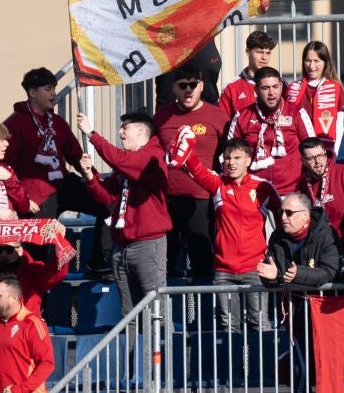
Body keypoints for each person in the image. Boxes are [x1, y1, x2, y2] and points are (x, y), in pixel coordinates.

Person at [175, 136, 274, 332]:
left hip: (255, 268)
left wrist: (276, 255)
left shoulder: (263, 186)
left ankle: (264, 364)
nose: (231, 163)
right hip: (224, 270)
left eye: (237, 158)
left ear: (248, 159)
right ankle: (233, 364)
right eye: (228, 158)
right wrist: (188, 144)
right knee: (229, 326)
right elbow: (196, 170)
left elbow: (283, 219)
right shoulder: (218, 183)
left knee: (260, 323)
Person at [78, 110, 172, 311]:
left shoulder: (152, 157)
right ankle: (132, 344)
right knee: (129, 312)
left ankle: (159, 344)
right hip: (121, 245)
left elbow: (119, 159)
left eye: (125, 128)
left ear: (140, 131)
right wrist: (90, 176)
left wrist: (91, 134)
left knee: (156, 311)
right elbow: (108, 197)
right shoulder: (128, 162)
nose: (120, 132)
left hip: (148, 244)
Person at [152, 67, 233, 283]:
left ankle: (203, 315)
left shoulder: (218, 116)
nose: (188, 90)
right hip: (167, 199)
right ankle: (164, 315)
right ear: (174, 89)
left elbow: (231, 155)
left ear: (202, 86)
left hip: (202, 199)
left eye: (193, 85)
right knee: (163, 262)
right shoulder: (161, 117)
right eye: (182, 86)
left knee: (202, 261)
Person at [3, 68, 90, 218]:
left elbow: (76, 155)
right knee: (41, 238)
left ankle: (102, 243)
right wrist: (19, 197)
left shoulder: (57, 122)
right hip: (34, 194)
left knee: (106, 201)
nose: (54, 93)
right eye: (48, 89)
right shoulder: (14, 123)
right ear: (32, 92)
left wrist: (93, 177)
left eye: (54, 88)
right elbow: (7, 165)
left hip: (62, 183)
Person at [225, 66, 304, 196]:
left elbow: (311, 149)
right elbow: (228, 156)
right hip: (254, 193)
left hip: (291, 193)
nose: (271, 92)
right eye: (265, 88)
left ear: (281, 86)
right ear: (256, 90)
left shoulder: (296, 113)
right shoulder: (242, 117)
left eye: (275, 86)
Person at [258, 191, 338, 292]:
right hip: (289, 304)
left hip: (318, 303)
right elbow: (272, 273)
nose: (283, 217)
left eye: (289, 213)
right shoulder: (277, 236)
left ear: (305, 215)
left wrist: (298, 274)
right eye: (281, 212)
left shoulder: (326, 234)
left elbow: (329, 272)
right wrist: (273, 278)